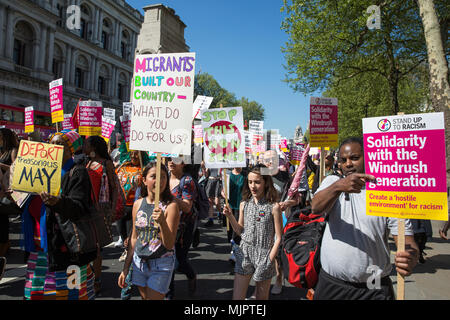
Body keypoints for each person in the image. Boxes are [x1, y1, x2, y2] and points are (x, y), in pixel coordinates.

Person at [311, 137, 419, 300]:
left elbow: (407, 241)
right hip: (331, 283)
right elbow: (315, 207)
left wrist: (410, 256)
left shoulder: (387, 193)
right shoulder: (333, 183)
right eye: (343, 160)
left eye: (354, 158)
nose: (348, 164)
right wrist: (339, 187)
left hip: (372, 282)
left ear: (368, 158)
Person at [22, 130, 97, 300]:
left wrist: (58, 202)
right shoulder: (38, 170)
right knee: (36, 294)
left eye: (60, 144)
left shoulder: (77, 172)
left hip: (68, 249)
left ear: (71, 149)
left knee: (71, 293)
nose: (54, 147)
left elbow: (79, 208)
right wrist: (17, 195)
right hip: (40, 249)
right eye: (52, 143)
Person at [118, 162, 179, 300]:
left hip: (161, 264)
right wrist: (126, 267)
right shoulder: (138, 204)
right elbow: (134, 237)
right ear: (144, 180)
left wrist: (162, 222)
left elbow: (169, 244)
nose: (159, 181)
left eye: (163, 177)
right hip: (139, 263)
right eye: (154, 176)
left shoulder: (171, 206)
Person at [223, 164, 283, 300]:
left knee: (261, 298)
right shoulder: (244, 204)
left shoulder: (274, 207)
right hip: (245, 252)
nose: (253, 186)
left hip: (264, 254)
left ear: (266, 183)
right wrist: (230, 216)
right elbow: (239, 230)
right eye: (250, 182)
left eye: (257, 182)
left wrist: (269, 259)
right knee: (237, 298)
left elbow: (279, 238)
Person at [83, 135, 119, 294]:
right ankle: (88, 278)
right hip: (87, 208)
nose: (84, 146)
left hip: (101, 209)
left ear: (94, 147)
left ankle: (96, 280)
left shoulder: (107, 163)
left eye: (87, 144)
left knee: (96, 247)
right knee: (88, 246)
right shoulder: (87, 162)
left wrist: (112, 209)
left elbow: (115, 187)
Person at [166, 158, 198, 299]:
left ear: (183, 163)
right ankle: (168, 294)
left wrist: (168, 198)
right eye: (169, 159)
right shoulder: (163, 177)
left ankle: (191, 275)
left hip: (183, 229)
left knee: (179, 261)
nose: (171, 162)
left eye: (176, 159)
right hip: (165, 225)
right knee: (167, 260)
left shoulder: (187, 181)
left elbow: (186, 206)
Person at [0, 128, 18, 262]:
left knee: (3, 216)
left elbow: (16, 169)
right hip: (2, 189)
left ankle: (5, 243)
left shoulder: (13, 150)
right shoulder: (3, 151)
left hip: (8, 191)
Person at [221, 167, 245, 267]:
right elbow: (223, 190)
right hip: (230, 206)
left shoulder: (245, 175)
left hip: (240, 206)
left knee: (237, 230)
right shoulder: (227, 174)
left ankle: (235, 251)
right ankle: (233, 247)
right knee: (230, 230)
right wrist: (223, 193)